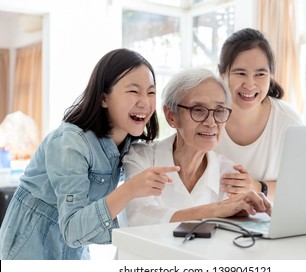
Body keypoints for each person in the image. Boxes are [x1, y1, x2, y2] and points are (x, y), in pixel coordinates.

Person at [0, 48, 179, 260]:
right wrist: (130, 189)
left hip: (75, 251)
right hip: (30, 249)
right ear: (104, 98)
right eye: (133, 91)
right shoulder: (70, 143)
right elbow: (73, 230)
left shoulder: (130, 144)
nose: (145, 102)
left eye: (151, 92)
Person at [123, 68, 272, 226]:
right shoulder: (140, 158)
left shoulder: (230, 175)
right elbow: (139, 218)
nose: (211, 122)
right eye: (198, 110)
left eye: (219, 111)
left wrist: (259, 216)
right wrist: (213, 211)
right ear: (171, 116)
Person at [215, 28, 303, 201]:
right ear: (222, 73)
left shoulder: (288, 122)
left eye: (260, 74)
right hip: (212, 220)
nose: (250, 84)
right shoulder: (205, 117)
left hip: (268, 222)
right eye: (240, 73)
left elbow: (301, 186)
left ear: (270, 75)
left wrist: (257, 187)